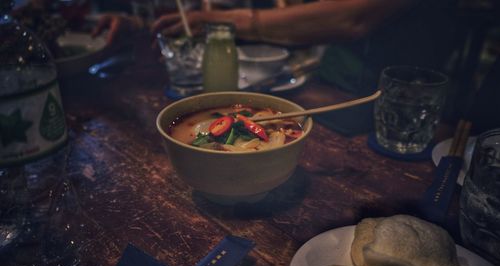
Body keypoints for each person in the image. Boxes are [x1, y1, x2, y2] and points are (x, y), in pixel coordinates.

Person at [93, 0, 459, 134]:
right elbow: (294, 17)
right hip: (322, 94)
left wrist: (228, 19)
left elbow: (354, 17)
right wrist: (147, 30)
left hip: (405, 113)